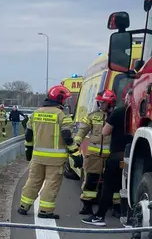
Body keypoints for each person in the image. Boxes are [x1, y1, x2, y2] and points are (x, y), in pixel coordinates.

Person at [17, 85, 82, 219]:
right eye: (64, 99)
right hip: (55, 160)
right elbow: (67, 138)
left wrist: (28, 150)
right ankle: (45, 211)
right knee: (51, 184)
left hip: (37, 157)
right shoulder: (62, 116)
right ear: (60, 99)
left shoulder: (36, 113)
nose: (65, 102)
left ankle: (23, 206)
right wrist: (75, 155)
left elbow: (28, 135)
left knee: (33, 181)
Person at [82, 104, 128, 226]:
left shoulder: (120, 111)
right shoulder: (142, 113)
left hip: (116, 155)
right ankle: (126, 216)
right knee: (123, 185)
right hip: (133, 155)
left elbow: (105, 131)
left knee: (108, 186)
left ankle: (99, 216)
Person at [75, 90, 117, 216]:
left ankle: (116, 207)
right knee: (91, 180)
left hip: (111, 156)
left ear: (110, 103)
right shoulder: (93, 116)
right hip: (94, 155)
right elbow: (82, 130)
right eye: (99, 102)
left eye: (102, 102)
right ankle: (87, 205)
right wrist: (77, 142)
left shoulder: (116, 116)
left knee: (114, 182)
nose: (100, 105)